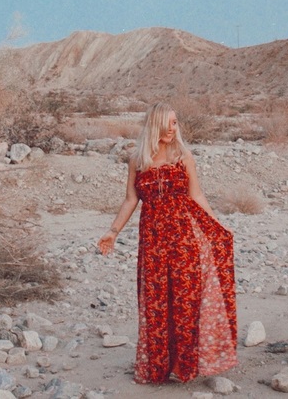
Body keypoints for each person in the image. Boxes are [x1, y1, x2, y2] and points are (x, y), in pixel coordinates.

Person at [98, 102, 237, 384]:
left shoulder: (183, 156)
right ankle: (158, 366)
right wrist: (113, 231)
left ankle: (185, 365)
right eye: (168, 123)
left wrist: (218, 226)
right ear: (155, 125)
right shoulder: (138, 160)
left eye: (175, 122)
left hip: (184, 240)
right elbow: (131, 199)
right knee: (156, 302)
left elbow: (196, 195)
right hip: (153, 243)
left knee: (185, 300)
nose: (173, 128)